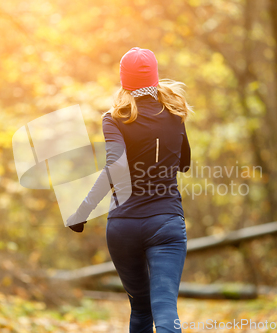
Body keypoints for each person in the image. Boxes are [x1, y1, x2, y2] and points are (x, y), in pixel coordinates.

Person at [67, 47, 192, 333]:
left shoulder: (114, 118)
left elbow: (115, 166)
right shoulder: (175, 113)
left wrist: (82, 212)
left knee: (140, 311)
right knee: (165, 309)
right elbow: (184, 163)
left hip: (123, 227)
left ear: (124, 81)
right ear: (155, 77)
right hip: (166, 223)